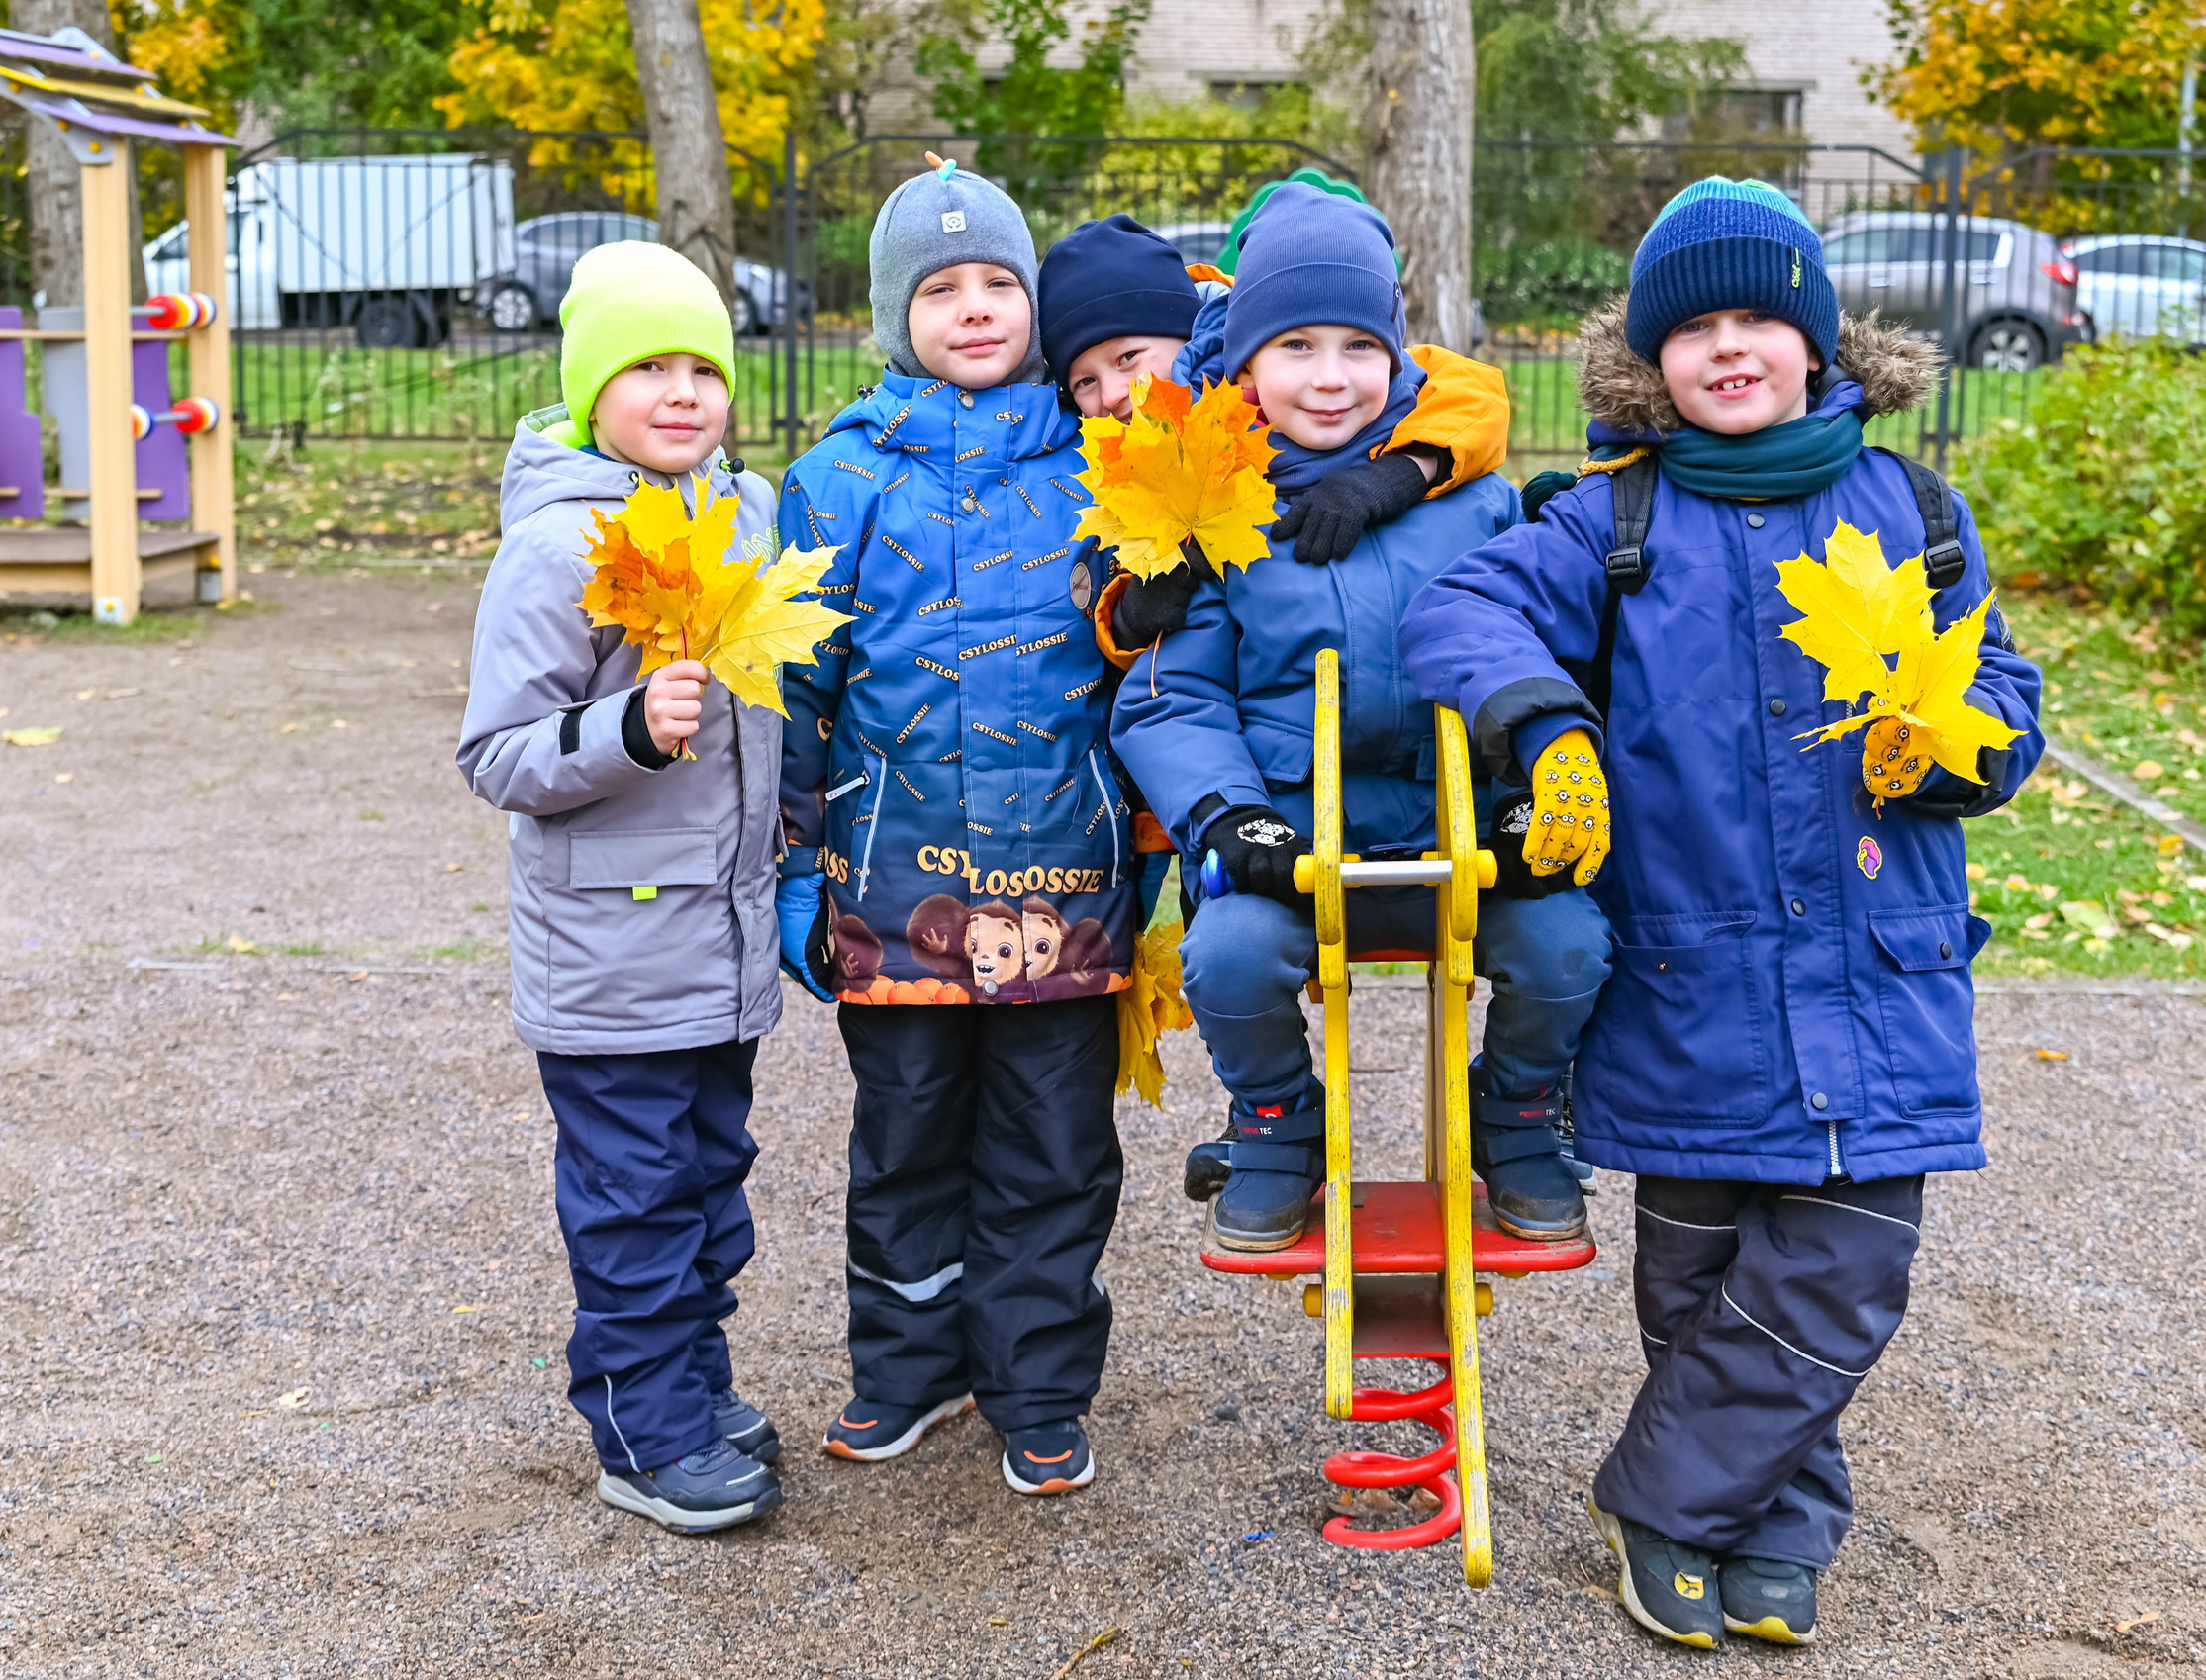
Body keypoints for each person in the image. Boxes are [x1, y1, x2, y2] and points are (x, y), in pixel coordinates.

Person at [1399, 177, 2046, 1648]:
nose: (1731, 346)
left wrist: (1957, 745)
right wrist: (1548, 728)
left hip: (1879, 975)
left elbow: (1999, 684)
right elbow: (1459, 613)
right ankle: (1780, 1535)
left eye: (1762, 317)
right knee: (1697, 1278)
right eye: (1695, 326)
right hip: (1696, 977)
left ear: (1820, 344)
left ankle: (1667, 1504)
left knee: (1845, 1268)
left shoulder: (1917, 512)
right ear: (1652, 360)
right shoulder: (1611, 519)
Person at [1108, 183, 1613, 1254]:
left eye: (1357, 345)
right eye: (1294, 345)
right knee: (1232, 955)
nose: (1330, 376)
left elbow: (1530, 645)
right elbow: (1172, 692)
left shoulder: (1468, 497)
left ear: (1397, 354)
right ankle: (1277, 1123)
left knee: (1567, 943)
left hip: (1458, 822)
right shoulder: (1214, 508)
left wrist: (1524, 790)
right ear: (1244, 365)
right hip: (1295, 832)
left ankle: (1515, 1110)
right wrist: (1226, 815)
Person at [774, 158, 1131, 1497]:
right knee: (906, 1134)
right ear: (894, 313)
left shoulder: (1106, 464)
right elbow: (798, 687)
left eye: (999, 284)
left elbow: (1144, 671)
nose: (975, 309)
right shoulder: (836, 482)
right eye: (942, 289)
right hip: (891, 871)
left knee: (1053, 1140)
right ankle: (905, 1365)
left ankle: (1036, 1381)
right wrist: (799, 864)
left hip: (1066, 874)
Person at [455, 240, 785, 1535]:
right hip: (611, 954)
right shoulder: (556, 550)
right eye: (649, 365)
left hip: (721, 940)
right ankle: (647, 1438)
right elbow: (496, 753)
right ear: (593, 390)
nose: (683, 389)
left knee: (709, 1187)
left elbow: (768, 725)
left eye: (704, 365)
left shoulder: (741, 520)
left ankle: (683, 1387)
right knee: (635, 1199)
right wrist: (628, 733)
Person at [1035, 205, 1520, 932]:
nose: (1113, 392)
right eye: (1083, 381)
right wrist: (1132, 608)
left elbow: (1466, 393)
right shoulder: (1130, 462)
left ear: (1200, 337)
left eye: (1131, 359)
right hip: (1237, 783)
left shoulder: (1273, 381)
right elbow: (1131, 618)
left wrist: (1406, 471)